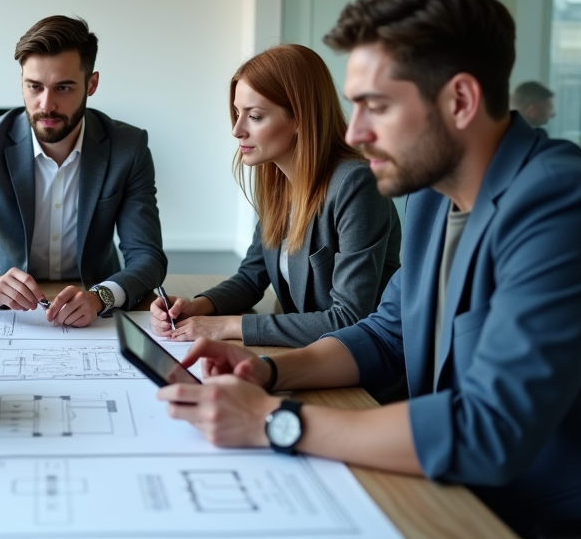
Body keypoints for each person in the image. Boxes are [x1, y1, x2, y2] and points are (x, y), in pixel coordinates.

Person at [158, 0, 581, 539]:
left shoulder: (564, 207)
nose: (356, 132)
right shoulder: (430, 198)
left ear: (459, 101)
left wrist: (273, 422)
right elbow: (386, 332)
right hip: (447, 499)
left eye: (377, 106)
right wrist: (268, 370)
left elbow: (489, 427)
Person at [0, 15, 166, 327]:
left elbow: (148, 257)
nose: (46, 104)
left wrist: (101, 296)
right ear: (21, 81)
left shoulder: (128, 148)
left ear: (91, 85)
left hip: (92, 303)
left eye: (63, 87)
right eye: (34, 87)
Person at [149, 44, 400, 346]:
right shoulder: (278, 181)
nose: (237, 130)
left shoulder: (356, 185)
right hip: (308, 353)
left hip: (363, 373)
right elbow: (251, 278)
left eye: (254, 116)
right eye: (236, 113)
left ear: (299, 118)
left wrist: (225, 326)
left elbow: (347, 317)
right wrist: (196, 307)